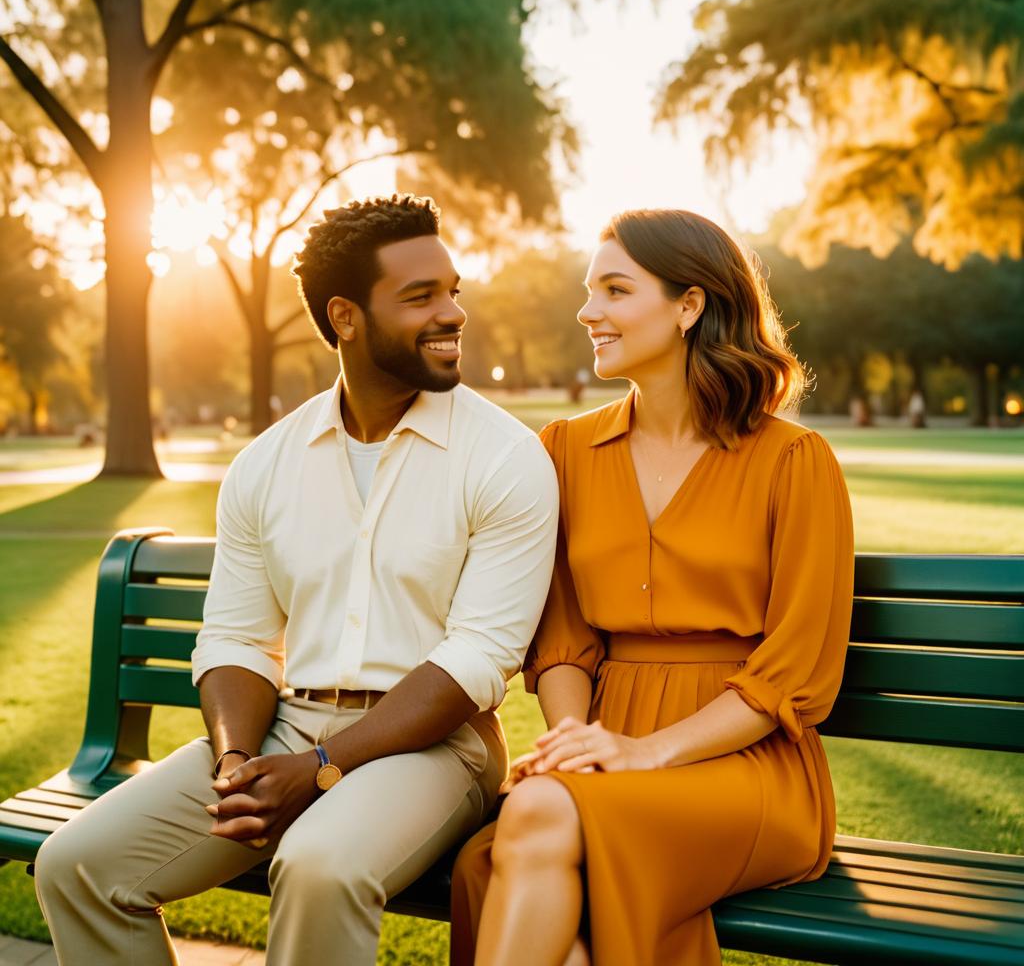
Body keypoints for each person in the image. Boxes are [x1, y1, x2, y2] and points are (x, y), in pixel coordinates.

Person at [33, 194, 559, 965]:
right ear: (345, 318)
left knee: (317, 865)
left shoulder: (506, 460)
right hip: (287, 729)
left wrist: (321, 769)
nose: (453, 313)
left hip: (438, 749)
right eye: (420, 297)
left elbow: (477, 658)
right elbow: (237, 638)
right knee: (78, 866)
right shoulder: (267, 464)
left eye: (453, 290)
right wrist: (237, 760)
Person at [450, 208, 855, 966]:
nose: (587, 311)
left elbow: (797, 669)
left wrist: (649, 754)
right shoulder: (566, 450)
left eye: (614, 289)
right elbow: (563, 636)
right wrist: (578, 742)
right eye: (589, 289)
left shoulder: (795, 462)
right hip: (606, 736)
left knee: (532, 822)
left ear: (689, 306)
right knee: (535, 844)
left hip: (749, 764)